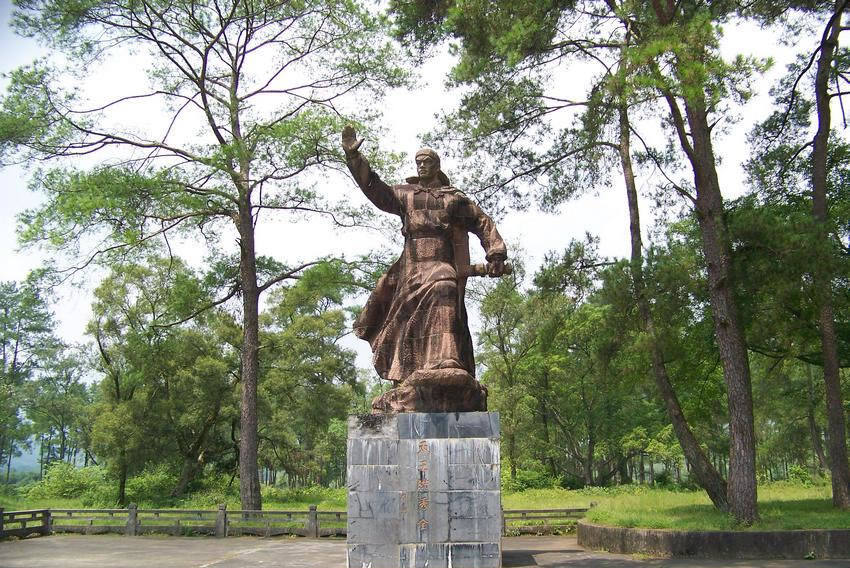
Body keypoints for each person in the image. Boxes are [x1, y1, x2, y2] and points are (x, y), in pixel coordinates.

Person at [341, 125, 508, 412]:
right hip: (411, 266)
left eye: (427, 161)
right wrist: (354, 158)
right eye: (418, 162)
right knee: (407, 320)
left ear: (437, 165)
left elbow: (481, 220)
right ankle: (411, 374)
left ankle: (447, 360)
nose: (421, 166)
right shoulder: (406, 195)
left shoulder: (452, 197)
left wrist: (495, 252)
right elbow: (375, 189)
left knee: (445, 285)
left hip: (441, 260)